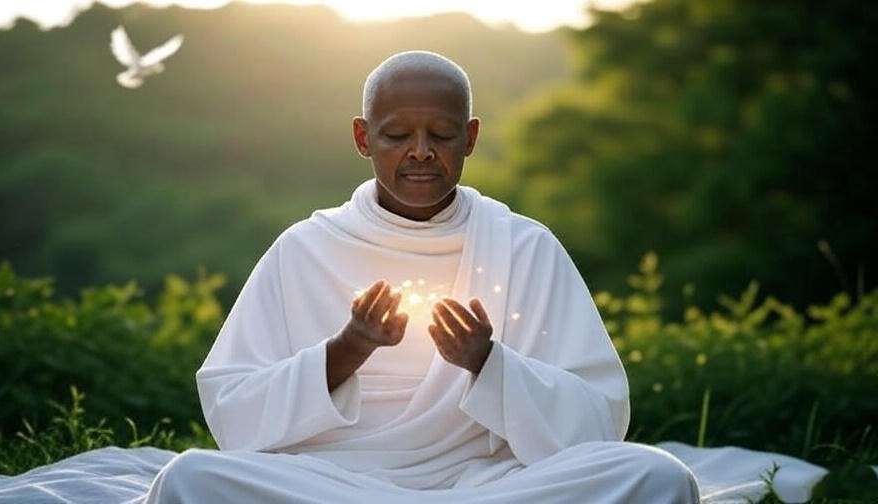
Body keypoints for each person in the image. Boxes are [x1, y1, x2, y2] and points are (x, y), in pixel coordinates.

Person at [143, 50, 700, 503]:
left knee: (659, 477)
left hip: (489, 484)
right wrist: (347, 349)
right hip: (331, 484)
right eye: (396, 135)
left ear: (471, 138)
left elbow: (598, 422)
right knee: (190, 480)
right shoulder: (305, 249)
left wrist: (487, 362)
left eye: (441, 134)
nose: (421, 153)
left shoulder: (524, 246)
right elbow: (233, 415)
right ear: (363, 138)